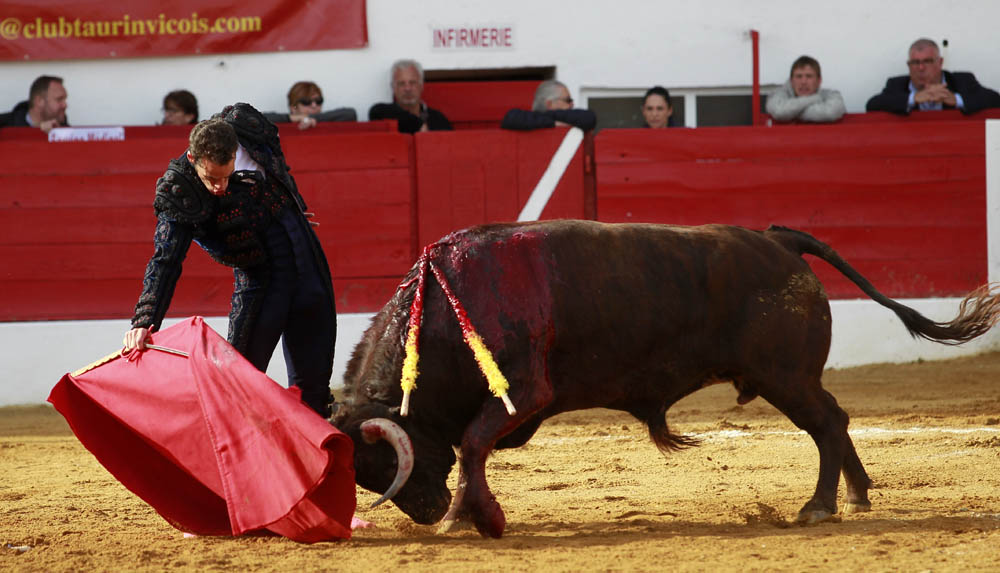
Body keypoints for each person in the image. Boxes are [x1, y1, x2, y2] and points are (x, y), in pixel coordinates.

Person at [123, 103, 337, 418]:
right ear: (193, 159)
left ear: (235, 153)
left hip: (305, 255)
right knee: (237, 382)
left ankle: (316, 439)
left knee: (314, 385)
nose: (219, 187)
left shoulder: (247, 127)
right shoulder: (179, 188)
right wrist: (144, 320)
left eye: (225, 177)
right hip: (262, 277)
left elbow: (278, 166)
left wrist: (294, 206)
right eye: (211, 179)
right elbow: (165, 260)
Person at [865, 38, 1000, 115]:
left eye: (927, 61)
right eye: (915, 62)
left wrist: (957, 100)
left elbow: (995, 99)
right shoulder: (897, 84)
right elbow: (872, 105)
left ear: (940, 62)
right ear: (908, 65)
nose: (921, 68)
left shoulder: (961, 81)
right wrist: (913, 98)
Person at [368, 60, 452, 133]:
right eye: (401, 84)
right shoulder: (383, 113)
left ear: (421, 86)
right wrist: (418, 125)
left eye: (412, 83)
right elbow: (375, 111)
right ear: (393, 88)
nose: (407, 88)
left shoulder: (438, 119)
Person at [766, 56, 846, 123]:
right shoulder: (778, 94)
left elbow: (830, 113)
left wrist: (790, 112)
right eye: (799, 76)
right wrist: (814, 99)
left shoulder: (831, 95)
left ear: (819, 80)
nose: (803, 82)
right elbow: (779, 111)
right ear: (791, 81)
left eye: (809, 76)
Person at [500, 80, 597, 131]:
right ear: (550, 104)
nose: (572, 104)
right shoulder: (522, 118)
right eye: (568, 100)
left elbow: (589, 117)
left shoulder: (530, 119)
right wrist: (552, 123)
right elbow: (511, 118)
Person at [263, 81, 357, 130]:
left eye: (318, 101)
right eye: (306, 102)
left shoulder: (325, 119)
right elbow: (259, 118)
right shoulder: (281, 122)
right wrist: (296, 118)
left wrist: (309, 118)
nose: (314, 105)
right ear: (293, 107)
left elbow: (350, 114)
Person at [0, 75, 69, 132]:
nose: (65, 105)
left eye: (64, 99)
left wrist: (57, 133)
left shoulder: (67, 131)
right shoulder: (4, 125)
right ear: (39, 101)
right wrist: (38, 132)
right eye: (59, 99)